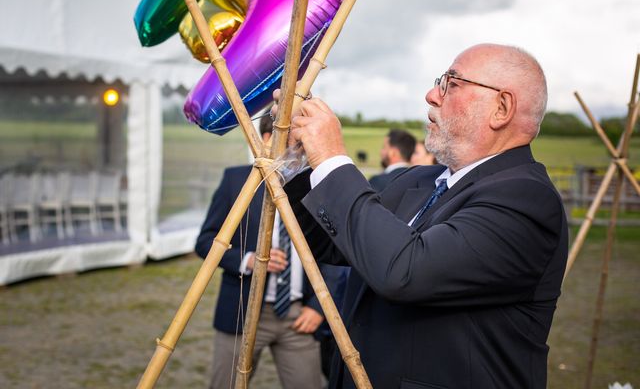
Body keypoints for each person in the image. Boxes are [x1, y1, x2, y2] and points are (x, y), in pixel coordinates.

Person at [279, 43, 568, 388]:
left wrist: (332, 159)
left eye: (452, 83)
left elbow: (405, 271)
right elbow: (336, 243)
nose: (432, 95)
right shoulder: (416, 179)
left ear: (501, 108)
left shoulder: (526, 199)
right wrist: (298, 161)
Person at [195, 112, 345, 389]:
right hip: (243, 311)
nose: (299, 151)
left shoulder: (316, 185)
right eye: (293, 142)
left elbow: (335, 254)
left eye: (302, 143)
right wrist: (248, 260)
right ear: (265, 140)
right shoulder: (235, 180)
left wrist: (317, 307)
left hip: (298, 316)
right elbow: (205, 241)